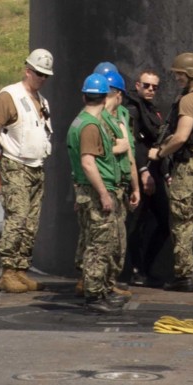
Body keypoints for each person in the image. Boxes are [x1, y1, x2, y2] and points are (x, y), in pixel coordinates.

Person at [0, 47, 53, 293]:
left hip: (36, 167)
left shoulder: (42, 101)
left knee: (31, 222)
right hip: (15, 165)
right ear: (27, 70)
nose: (42, 79)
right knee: (17, 218)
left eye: (46, 75)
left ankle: (21, 269)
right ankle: (8, 271)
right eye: (38, 73)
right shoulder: (9, 96)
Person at [147, 51, 193, 292]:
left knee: (182, 221)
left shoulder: (189, 100)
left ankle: (184, 276)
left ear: (190, 73)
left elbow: (181, 136)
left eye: (180, 74)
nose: (177, 78)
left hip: (189, 165)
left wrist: (160, 152)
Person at [66, 72, 127, 313]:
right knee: (99, 245)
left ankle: (100, 291)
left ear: (84, 97)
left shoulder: (78, 122)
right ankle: (94, 296)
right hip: (96, 190)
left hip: (85, 189)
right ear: (104, 99)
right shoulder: (91, 126)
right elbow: (88, 162)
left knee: (95, 242)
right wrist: (103, 194)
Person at [92, 62, 140, 282]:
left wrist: (135, 185)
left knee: (116, 237)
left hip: (120, 180)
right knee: (98, 237)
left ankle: (109, 281)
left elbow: (130, 155)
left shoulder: (123, 114)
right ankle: (94, 284)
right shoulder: (94, 117)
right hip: (102, 182)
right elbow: (88, 155)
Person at [124, 67, 169, 283]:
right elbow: (134, 145)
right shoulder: (133, 110)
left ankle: (145, 267)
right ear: (137, 86)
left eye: (154, 87)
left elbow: (158, 144)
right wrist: (142, 172)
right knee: (136, 225)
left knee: (165, 223)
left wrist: (165, 172)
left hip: (155, 172)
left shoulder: (153, 110)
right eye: (147, 85)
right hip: (141, 172)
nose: (151, 89)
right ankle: (136, 270)